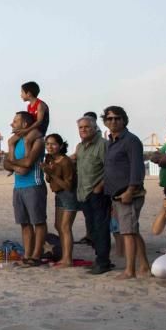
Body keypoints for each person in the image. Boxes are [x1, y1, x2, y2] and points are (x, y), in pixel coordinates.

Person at [102, 105, 148, 280]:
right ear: (105, 121)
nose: (113, 121)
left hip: (128, 193)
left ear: (124, 120)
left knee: (127, 232)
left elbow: (137, 168)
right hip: (115, 195)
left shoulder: (131, 140)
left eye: (117, 118)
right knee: (131, 231)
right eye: (109, 118)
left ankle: (130, 270)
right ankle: (144, 265)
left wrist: (130, 190)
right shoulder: (111, 142)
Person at [4, 111, 46, 266]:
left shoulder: (37, 140)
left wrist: (14, 163)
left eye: (15, 121)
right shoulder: (15, 141)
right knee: (24, 223)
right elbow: (5, 163)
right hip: (18, 186)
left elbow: (28, 163)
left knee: (38, 222)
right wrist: (14, 163)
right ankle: (27, 254)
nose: (11, 124)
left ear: (25, 124)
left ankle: (36, 255)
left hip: (33, 185)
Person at [74, 115, 112, 274]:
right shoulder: (80, 147)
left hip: (97, 194)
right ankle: (99, 259)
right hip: (84, 194)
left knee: (101, 229)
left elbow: (110, 168)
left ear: (94, 127)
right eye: (81, 128)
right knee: (92, 230)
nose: (83, 130)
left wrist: (99, 187)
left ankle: (103, 262)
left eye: (86, 127)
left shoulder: (103, 145)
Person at [42, 133, 76, 267]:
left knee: (65, 227)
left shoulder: (65, 161)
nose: (50, 147)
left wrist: (51, 174)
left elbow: (68, 185)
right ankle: (64, 255)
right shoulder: (50, 159)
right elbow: (49, 179)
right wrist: (48, 172)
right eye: (48, 144)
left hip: (68, 195)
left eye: (53, 144)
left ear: (60, 146)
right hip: (58, 195)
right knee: (58, 225)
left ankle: (68, 259)